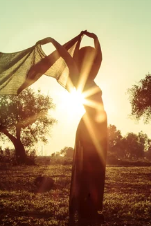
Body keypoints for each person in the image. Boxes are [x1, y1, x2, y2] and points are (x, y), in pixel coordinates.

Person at [37, 31, 107, 221]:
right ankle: (85, 206)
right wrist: (53, 42)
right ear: (85, 61)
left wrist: (95, 39)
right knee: (88, 166)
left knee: (97, 166)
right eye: (90, 59)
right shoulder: (78, 77)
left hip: (99, 125)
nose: (94, 63)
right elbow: (67, 57)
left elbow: (99, 57)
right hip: (90, 125)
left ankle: (92, 206)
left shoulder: (91, 76)